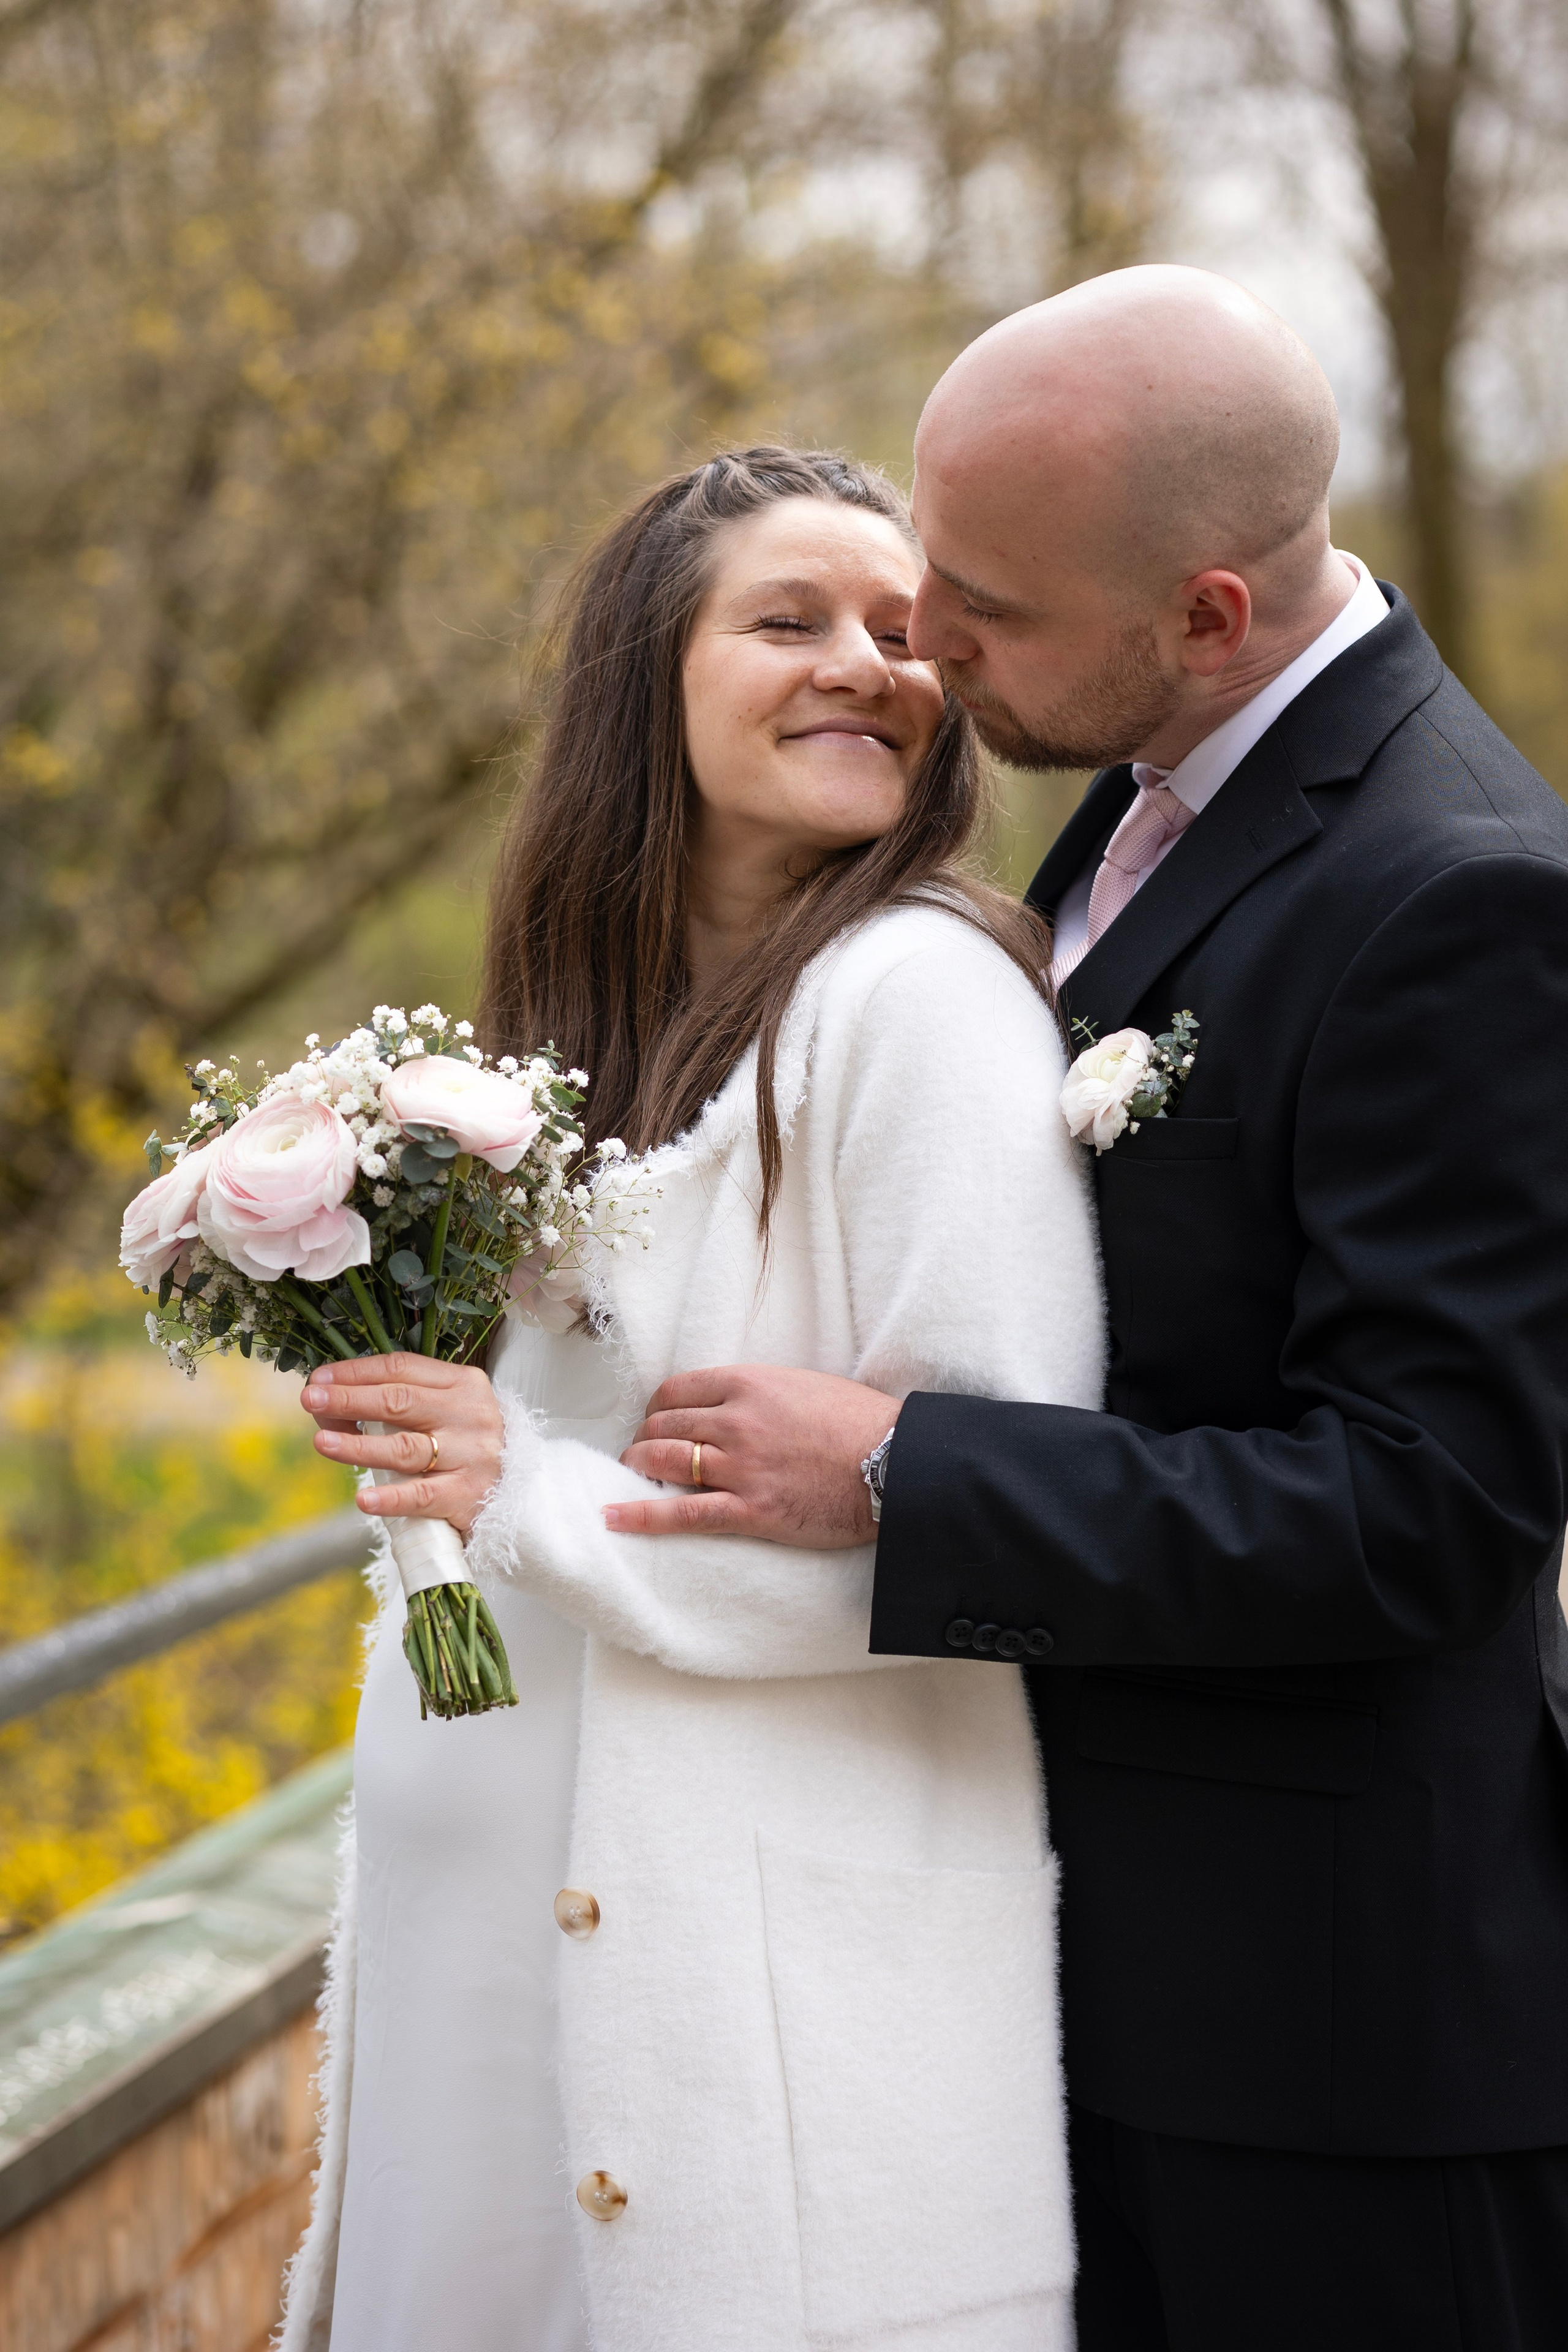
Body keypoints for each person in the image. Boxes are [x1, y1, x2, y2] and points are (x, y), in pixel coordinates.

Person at [612, 270, 1568, 2351]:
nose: (922, 645)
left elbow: (1435, 1509)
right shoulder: (1151, 797)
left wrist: (903, 1472)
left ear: (1205, 616)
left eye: (985, 607)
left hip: (1330, 2045)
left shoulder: (1458, 892)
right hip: (1099, 1968)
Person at [276, 447, 1104, 2352]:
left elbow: (995, 1529)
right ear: (646, 676)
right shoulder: (570, 1052)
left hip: (752, 2030)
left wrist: (518, 1490)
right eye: (789, 620)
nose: (866, 666)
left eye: (904, 633)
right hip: (485, 2005)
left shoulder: (921, 1006)